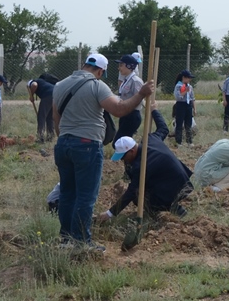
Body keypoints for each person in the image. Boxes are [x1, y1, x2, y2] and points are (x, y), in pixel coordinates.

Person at [52, 53, 155, 247]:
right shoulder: (97, 86)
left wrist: (65, 138)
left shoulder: (60, 85)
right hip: (87, 145)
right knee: (85, 196)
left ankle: (66, 239)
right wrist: (141, 94)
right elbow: (119, 109)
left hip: (63, 144)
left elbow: (56, 118)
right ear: (101, 71)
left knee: (67, 193)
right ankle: (82, 242)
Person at [101, 110, 192, 219]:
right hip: (182, 179)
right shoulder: (150, 139)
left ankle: (170, 209)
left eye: (123, 156)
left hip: (177, 187)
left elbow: (131, 192)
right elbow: (163, 129)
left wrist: (110, 213)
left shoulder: (141, 165)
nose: (122, 160)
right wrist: (154, 111)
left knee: (138, 196)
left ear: (132, 151)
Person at [115, 54, 144, 141]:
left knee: (119, 142)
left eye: (121, 65)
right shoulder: (126, 80)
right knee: (121, 142)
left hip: (132, 116)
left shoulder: (135, 81)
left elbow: (138, 99)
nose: (119, 68)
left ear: (129, 66)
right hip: (125, 114)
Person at [30, 73, 57, 141]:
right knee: (49, 117)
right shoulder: (44, 82)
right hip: (56, 95)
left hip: (48, 95)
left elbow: (34, 85)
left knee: (41, 116)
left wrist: (31, 95)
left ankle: (40, 136)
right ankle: (50, 136)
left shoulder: (33, 81)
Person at [172, 70, 196, 144]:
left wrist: (194, 108)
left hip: (188, 105)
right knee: (179, 123)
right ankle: (178, 141)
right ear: (184, 78)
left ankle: (189, 141)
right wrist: (185, 91)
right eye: (188, 78)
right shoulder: (178, 86)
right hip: (180, 105)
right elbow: (178, 97)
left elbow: (192, 98)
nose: (189, 80)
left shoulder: (190, 86)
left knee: (188, 124)